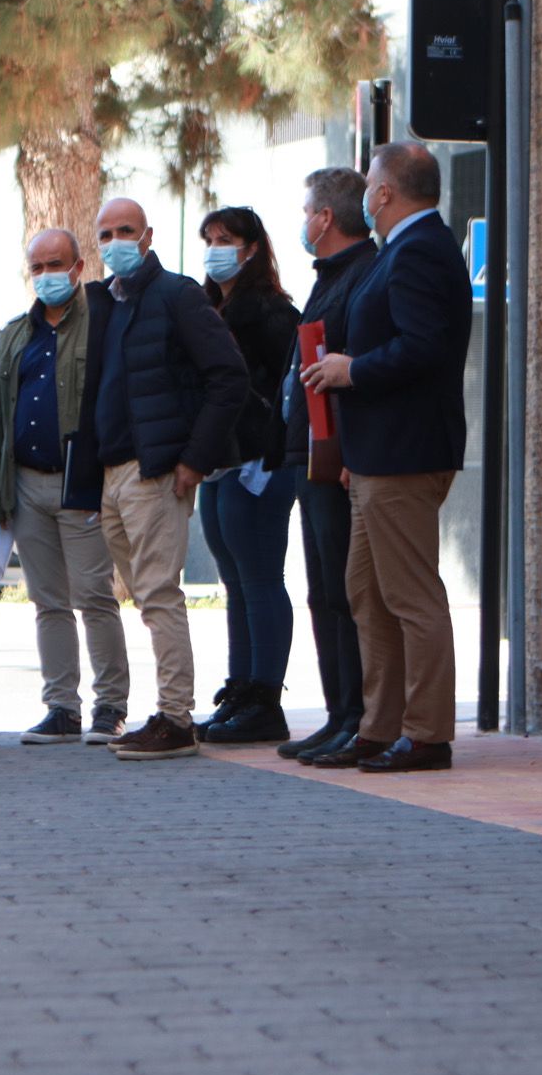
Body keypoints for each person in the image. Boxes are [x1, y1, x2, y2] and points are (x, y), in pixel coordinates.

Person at [303, 142, 473, 772]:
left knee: (410, 595)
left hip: (406, 452)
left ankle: (427, 734)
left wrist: (351, 371)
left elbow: (424, 348)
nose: (366, 195)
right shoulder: (404, 248)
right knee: (366, 591)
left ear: (384, 194)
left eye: (371, 185)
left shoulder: (422, 248)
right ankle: (378, 726)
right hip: (378, 453)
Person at [68, 197, 247, 760]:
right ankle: (166, 711)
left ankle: (175, 716)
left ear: (147, 236)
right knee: (144, 597)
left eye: (126, 230)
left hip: (157, 471)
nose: (116, 241)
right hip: (113, 472)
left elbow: (229, 377)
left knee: (159, 594)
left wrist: (194, 458)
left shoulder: (176, 294)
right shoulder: (102, 304)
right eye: (106, 233)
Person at [0, 228, 131, 745]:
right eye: (38, 266)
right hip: (25, 485)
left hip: (81, 482)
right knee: (48, 601)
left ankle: (110, 707)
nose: (47, 275)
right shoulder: (15, 334)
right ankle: (61, 707)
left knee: (94, 596)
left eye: (56, 264)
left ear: (78, 265)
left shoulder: (101, 325)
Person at [268, 168, 380, 768]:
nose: (304, 221)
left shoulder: (363, 274)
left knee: (345, 592)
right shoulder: (330, 276)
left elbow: (357, 367)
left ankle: (358, 718)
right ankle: (339, 714)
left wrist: (349, 452)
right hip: (308, 453)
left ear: (325, 218)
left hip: (338, 458)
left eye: (307, 210)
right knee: (322, 592)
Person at [193, 206, 302, 745]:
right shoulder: (208, 305)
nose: (217, 247)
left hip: (261, 461)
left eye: (227, 238)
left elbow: (287, 394)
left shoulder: (272, 312)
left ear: (253, 247)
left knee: (259, 577)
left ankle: (265, 697)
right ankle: (240, 689)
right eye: (210, 238)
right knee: (232, 581)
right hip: (218, 461)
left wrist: (271, 453)